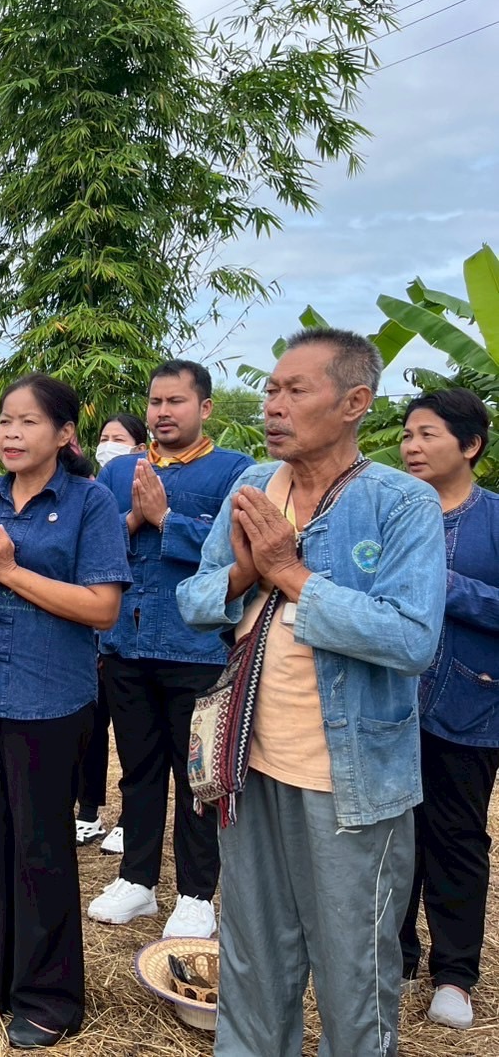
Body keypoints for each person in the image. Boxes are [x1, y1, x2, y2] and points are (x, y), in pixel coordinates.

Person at [178, 328, 446, 1057]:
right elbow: (194, 598)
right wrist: (241, 576)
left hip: (348, 777)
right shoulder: (250, 491)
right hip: (247, 765)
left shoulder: (401, 504)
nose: (273, 403)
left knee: (352, 970)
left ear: (354, 402)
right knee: (251, 955)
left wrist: (289, 573)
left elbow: (410, 639)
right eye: (270, 387)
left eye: (295, 389)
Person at [0, 374, 129, 1046]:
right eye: (6, 421)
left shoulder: (89, 503)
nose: (13, 433)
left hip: (47, 697)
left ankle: (48, 997)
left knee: (39, 848)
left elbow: (102, 606)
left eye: (29, 422)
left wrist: (10, 571)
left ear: (64, 434)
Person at [86, 363, 252, 938]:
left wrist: (167, 519)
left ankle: (196, 892)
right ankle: (137, 881)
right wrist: (134, 519)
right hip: (125, 642)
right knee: (138, 767)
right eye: (155, 402)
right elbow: (96, 547)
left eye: (176, 401)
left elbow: (237, 553)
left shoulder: (237, 472)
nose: (162, 413)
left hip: (197, 647)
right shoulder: (117, 474)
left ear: (204, 408)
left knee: (197, 774)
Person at [397, 388, 499, 1031]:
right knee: (390, 831)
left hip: (471, 700)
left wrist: (447, 584)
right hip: (390, 703)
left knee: (457, 837)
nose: (411, 446)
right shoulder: (392, 513)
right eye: (408, 434)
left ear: (471, 446)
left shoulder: (493, 519)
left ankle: (455, 973)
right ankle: (395, 951)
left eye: (428, 434)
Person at [76, 412, 149, 849]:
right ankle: (88, 810)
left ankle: (129, 817)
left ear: (140, 446)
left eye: (118, 438)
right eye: (103, 438)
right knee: (90, 725)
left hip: (133, 626)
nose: (108, 446)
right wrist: (135, 520)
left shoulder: (152, 482)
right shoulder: (101, 490)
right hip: (94, 631)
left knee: (131, 734)